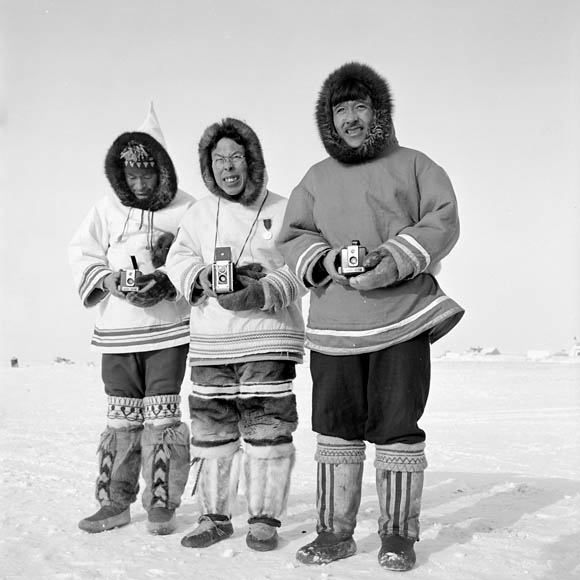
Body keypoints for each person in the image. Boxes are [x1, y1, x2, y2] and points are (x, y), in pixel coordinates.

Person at [277, 62, 465, 571]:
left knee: (397, 424)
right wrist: (330, 260)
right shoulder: (315, 179)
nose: (353, 118)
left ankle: (398, 536)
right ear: (329, 120)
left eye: (361, 107)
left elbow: (443, 219)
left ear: (378, 111)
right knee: (335, 426)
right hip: (335, 323)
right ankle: (334, 532)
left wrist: (396, 258)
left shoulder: (415, 165)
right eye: (342, 110)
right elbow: (293, 235)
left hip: (401, 316)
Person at [165, 117, 305, 552]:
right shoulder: (199, 213)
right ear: (209, 167)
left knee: (267, 429)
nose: (228, 167)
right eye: (219, 159)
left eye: (236, 157)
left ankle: (264, 518)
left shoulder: (284, 209)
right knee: (210, 432)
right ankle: (215, 516)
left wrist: (265, 290)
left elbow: (303, 266)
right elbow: (178, 258)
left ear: (253, 161)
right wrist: (201, 276)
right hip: (211, 341)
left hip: (267, 336)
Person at [69, 104, 194, 536]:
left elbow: (195, 259)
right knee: (121, 419)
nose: (139, 183)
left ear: (163, 171)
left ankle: (162, 502)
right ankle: (113, 503)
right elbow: (81, 251)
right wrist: (110, 280)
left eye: (147, 174)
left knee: (162, 417)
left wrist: (166, 280)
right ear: (120, 177)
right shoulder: (105, 209)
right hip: (118, 334)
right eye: (132, 177)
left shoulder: (187, 209)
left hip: (167, 331)